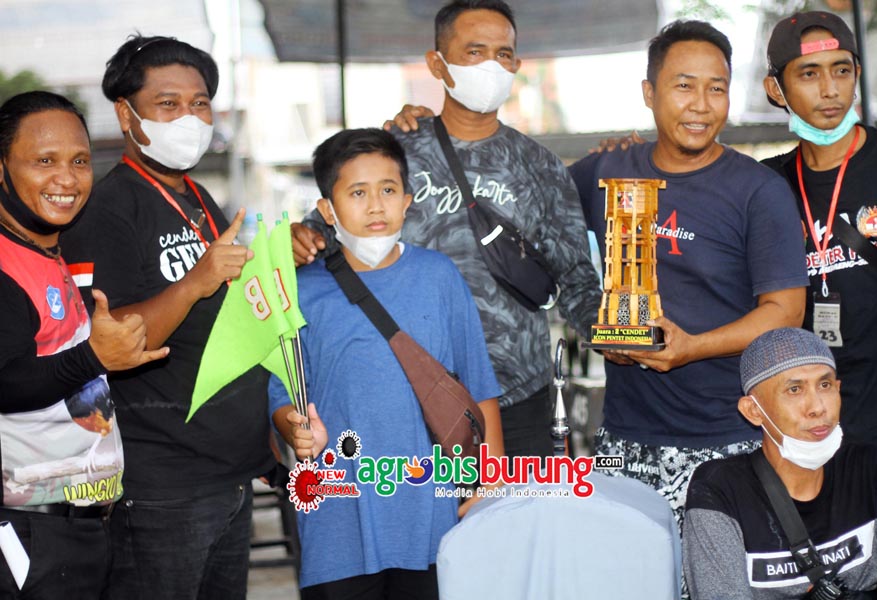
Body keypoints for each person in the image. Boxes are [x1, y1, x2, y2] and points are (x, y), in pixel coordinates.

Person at [292, 0, 601, 459]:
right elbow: (318, 240)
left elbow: (576, 280)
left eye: (503, 54)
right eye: (474, 52)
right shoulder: (395, 154)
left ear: (517, 64)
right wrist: (296, 241)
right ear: (437, 64)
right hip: (407, 395)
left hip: (517, 395)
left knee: (513, 509)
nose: (491, 66)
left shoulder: (541, 167)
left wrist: (622, 337)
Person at [567, 20, 809, 526]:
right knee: (629, 566)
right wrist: (595, 322)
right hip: (624, 441)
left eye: (716, 89)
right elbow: (539, 233)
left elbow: (785, 312)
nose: (701, 105)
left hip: (733, 437)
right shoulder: (605, 171)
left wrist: (691, 347)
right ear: (649, 93)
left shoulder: (758, 191)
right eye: (684, 86)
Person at [60, 37, 275, 600]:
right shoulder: (107, 210)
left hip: (227, 471)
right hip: (162, 486)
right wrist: (194, 282)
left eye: (200, 103)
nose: (189, 118)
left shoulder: (199, 198)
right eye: (168, 103)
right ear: (125, 114)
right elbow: (111, 341)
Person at [270, 127, 503, 599]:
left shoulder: (439, 277)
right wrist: (294, 428)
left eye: (388, 190)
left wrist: (491, 482)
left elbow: (479, 386)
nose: (376, 206)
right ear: (327, 210)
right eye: (357, 193)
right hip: (337, 520)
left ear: (407, 200)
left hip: (432, 513)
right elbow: (281, 396)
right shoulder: (299, 292)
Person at [0, 91, 166, 597]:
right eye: (44, 161)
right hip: (31, 533)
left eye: (78, 161)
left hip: (79, 526)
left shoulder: (46, 250)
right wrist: (94, 356)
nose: (67, 179)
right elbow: (5, 381)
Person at [760, 11, 877, 459]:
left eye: (842, 70)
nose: (829, 89)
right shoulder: (764, 186)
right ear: (775, 89)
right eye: (809, 74)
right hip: (811, 434)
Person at [683, 327, 877, 598]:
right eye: (794, 389)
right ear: (753, 410)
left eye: (825, 385)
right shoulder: (720, 490)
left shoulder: (872, 469)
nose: (817, 407)